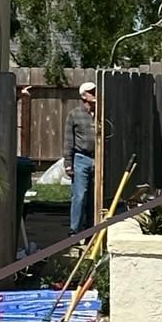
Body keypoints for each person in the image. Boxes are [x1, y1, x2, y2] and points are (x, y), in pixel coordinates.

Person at [64, 81, 97, 236]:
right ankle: (74, 230)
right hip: (81, 158)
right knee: (79, 195)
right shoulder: (74, 114)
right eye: (92, 92)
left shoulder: (101, 113)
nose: (95, 94)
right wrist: (68, 164)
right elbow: (68, 140)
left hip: (97, 159)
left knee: (94, 196)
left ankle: (90, 230)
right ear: (83, 96)